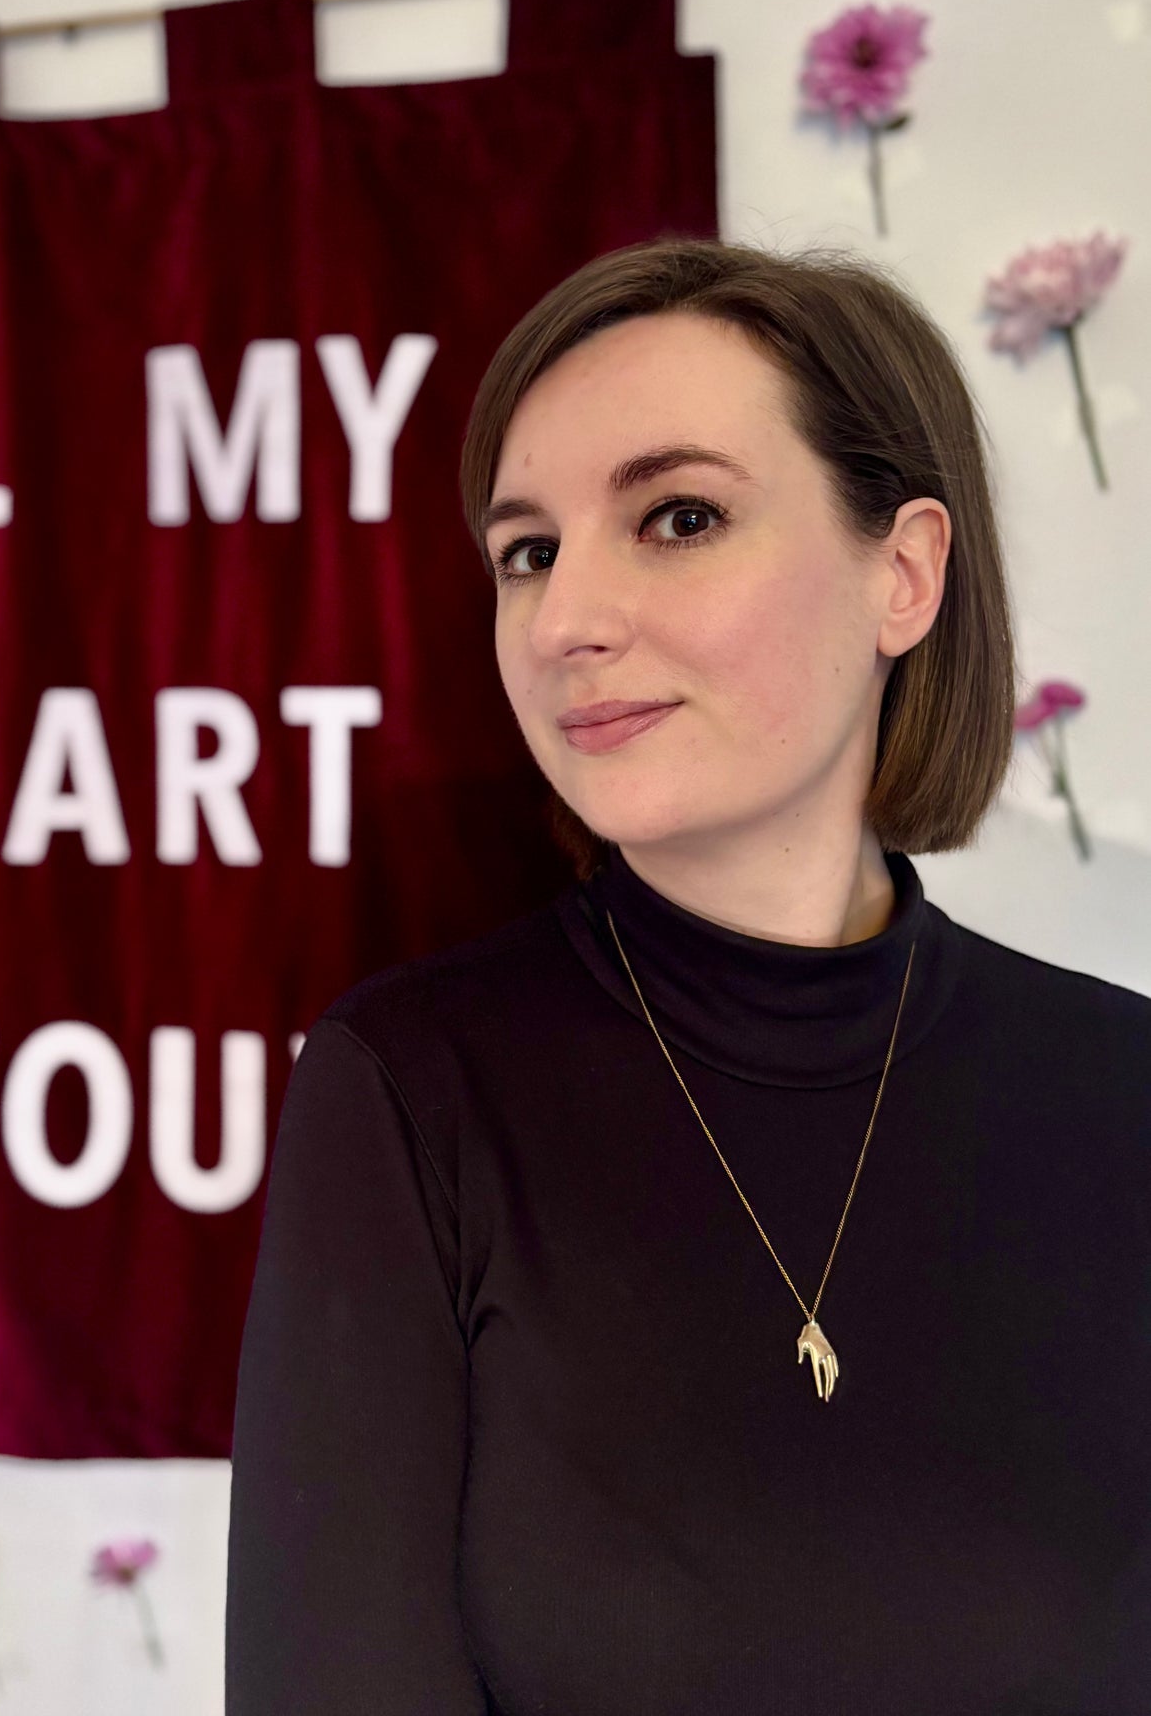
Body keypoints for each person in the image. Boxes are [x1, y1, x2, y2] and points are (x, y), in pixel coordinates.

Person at [222, 238, 1151, 1713]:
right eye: (528, 551)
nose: (566, 619)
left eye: (679, 517)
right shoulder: (411, 1092)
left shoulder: (1121, 1092)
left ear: (901, 574)